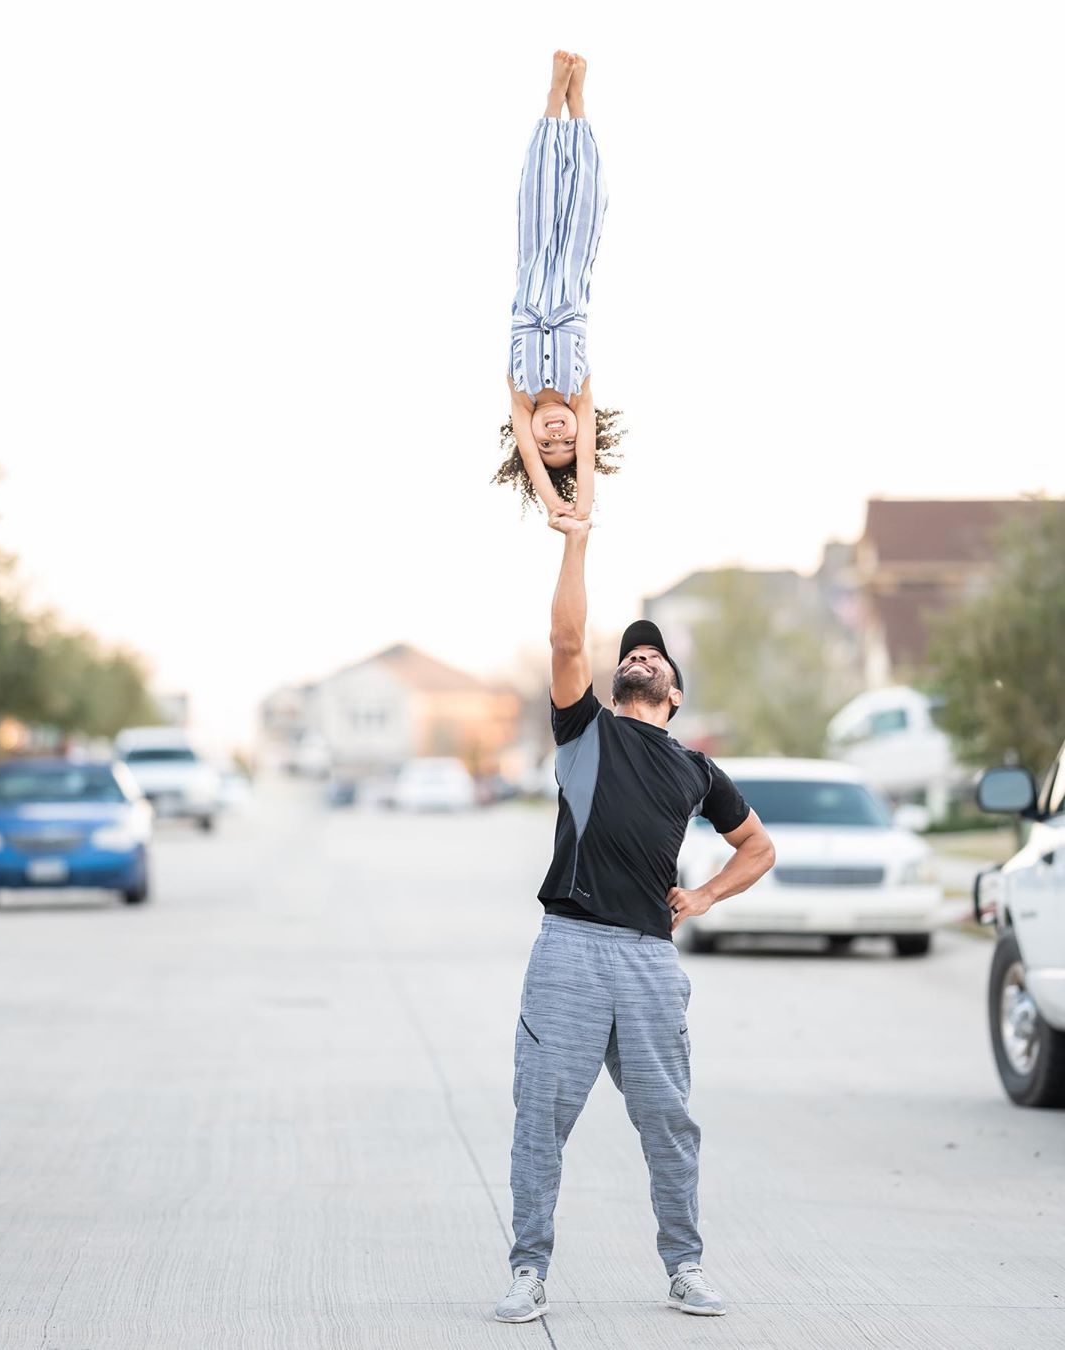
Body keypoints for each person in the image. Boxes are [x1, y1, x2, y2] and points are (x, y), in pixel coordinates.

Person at [494, 512, 777, 1324]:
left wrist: (708, 895)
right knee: (541, 1117)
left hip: (651, 961)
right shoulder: (585, 734)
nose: (640, 653)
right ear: (619, 680)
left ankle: (684, 1266)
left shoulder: (696, 769)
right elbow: (563, 638)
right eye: (632, 651)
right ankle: (528, 1271)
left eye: (655, 654)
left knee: (668, 1121)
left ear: (674, 692)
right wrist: (576, 538)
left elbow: (757, 848)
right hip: (570, 952)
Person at [491, 52, 626, 522]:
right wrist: (580, 507)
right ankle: (579, 107)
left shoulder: (521, 395)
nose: (556, 435)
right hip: (572, 280)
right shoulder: (578, 394)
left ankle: (554, 103)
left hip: (530, 277)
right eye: (567, 442)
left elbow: (531, 457)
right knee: (588, 200)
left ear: (525, 431)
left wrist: (552, 504)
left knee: (540, 198)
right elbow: (584, 460)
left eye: (545, 444)